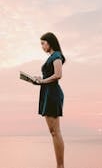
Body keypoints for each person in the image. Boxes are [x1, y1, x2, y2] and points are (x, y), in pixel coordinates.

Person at [34, 32, 66, 168]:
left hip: (52, 94)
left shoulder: (56, 55)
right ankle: (59, 165)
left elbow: (58, 75)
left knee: (55, 132)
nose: (42, 46)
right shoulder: (51, 57)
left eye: (43, 43)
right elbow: (50, 75)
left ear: (50, 42)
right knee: (53, 132)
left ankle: (60, 166)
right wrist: (39, 79)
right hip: (48, 93)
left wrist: (42, 82)